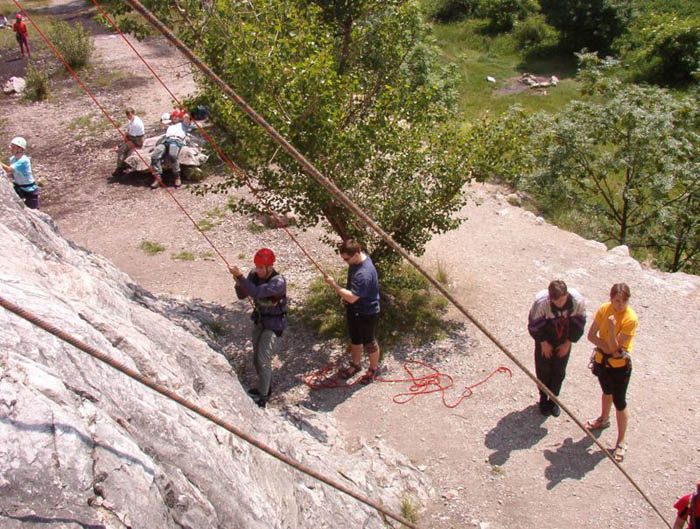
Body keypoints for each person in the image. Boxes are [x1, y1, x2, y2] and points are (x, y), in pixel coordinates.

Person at [585, 283, 638, 463]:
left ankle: (621, 441)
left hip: (619, 366)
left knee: (620, 401)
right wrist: (607, 346)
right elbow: (590, 335)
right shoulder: (604, 309)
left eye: (624, 301)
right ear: (611, 299)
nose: (620, 305)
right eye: (617, 300)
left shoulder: (630, 319)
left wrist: (612, 330)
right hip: (603, 362)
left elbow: (615, 349)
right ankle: (603, 418)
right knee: (606, 392)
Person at [230, 248, 287, 408]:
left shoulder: (278, 282)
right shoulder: (254, 275)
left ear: (270, 267)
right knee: (256, 358)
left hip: (274, 324)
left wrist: (241, 277)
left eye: (262, 267)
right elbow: (242, 295)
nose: (259, 270)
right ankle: (265, 386)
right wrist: (238, 282)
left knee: (263, 359)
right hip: (260, 320)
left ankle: (264, 395)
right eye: (257, 267)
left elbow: (256, 292)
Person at [324, 239, 381, 384]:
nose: (345, 262)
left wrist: (334, 285)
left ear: (356, 254)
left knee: (369, 342)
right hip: (355, 310)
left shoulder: (364, 274)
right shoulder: (358, 259)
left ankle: (373, 369)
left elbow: (351, 297)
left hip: (367, 311)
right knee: (355, 338)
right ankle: (356, 365)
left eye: (347, 259)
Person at [527, 280, 586, 417]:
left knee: (559, 371)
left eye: (562, 300)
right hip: (545, 340)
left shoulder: (577, 302)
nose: (559, 304)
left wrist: (568, 342)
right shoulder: (541, 303)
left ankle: (554, 399)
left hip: (564, 340)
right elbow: (533, 325)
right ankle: (543, 398)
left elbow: (579, 324)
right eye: (556, 301)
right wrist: (542, 342)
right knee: (543, 370)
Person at [1, 136, 39, 209]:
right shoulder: (12, 159)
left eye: (13, 147)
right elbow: (12, 173)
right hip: (19, 187)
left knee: (33, 209)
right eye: (11, 146)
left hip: (29, 190)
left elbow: (9, 169)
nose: (10, 149)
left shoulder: (23, 160)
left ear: (20, 149)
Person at [150, 109, 185, 188]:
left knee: (172, 155)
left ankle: (177, 176)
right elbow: (161, 121)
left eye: (177, 117)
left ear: (180, 118)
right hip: (166, 141)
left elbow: (189, 120)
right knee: (155, 155)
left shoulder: (183, 125)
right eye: (174, 117)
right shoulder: (169, 124)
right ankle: (158, 177)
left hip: (176, 141)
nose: (175, 118)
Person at [113, 107, 145, 176]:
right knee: (123, 145)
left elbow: (131, 135)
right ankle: (123, 164)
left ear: (133, 114)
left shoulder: (136, 123)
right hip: (133, 137)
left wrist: (125, 137)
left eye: (130, 115)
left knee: (122, 149)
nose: (128, 117)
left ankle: (119, 168)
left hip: (137, 140)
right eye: (127, 115)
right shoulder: (132, 120)